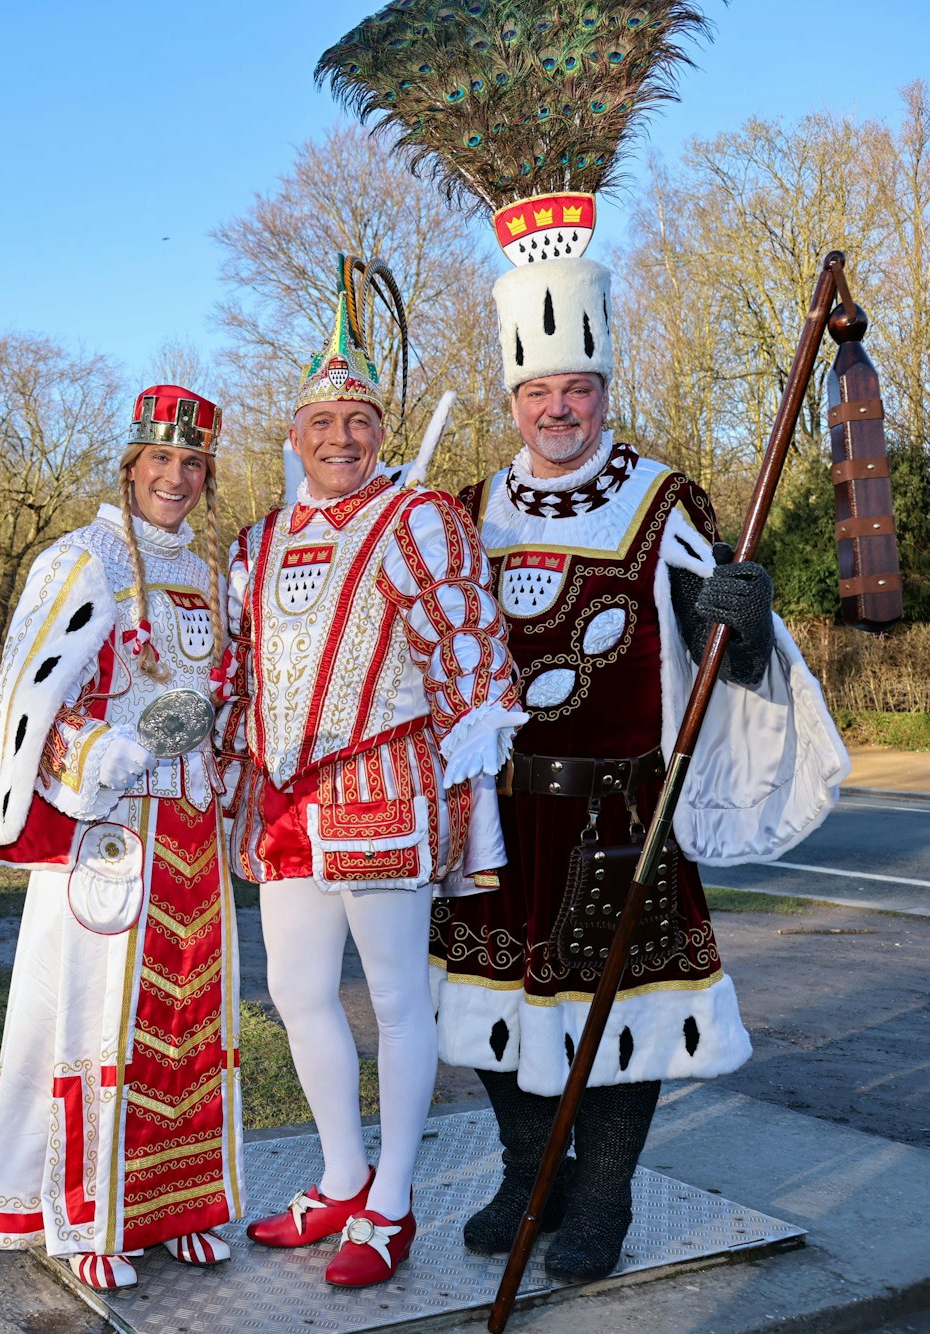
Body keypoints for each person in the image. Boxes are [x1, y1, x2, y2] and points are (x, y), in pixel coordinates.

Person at [417, 203, 851, 1286]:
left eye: (577, 390)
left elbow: (728, 658)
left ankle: (602, 1196)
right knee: (493, 1007)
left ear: (603, 392)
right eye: (538, 393)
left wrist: (742, 619)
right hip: (498, 807)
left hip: (622, 810)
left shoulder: (662, 497)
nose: (558, 409)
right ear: (513, 399)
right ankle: (532, 1178)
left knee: (622, 1014)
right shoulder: (465, 509)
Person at [215, 259, 524, 1288]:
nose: (341, 440)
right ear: (293, 433)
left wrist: (478, 730)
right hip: (285, 797)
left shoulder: (420, 516)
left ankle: (392, 1201)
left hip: (382, 785)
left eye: (360, 424)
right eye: (322, 424)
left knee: (394, 995)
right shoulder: (254, 542)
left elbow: (464, 630)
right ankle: (341, 1173)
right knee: (296, 989)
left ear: (381, 433)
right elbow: (235, 666)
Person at [0, 385, 243, 1292]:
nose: (177, 478)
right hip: (108, 830)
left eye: (193, 464)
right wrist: (94, 748)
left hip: (192, 830)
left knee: (191, 1024)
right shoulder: (80, 558)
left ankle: (177, 1205)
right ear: (131, 465)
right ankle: (88, 1214)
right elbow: (28, 696)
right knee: (96, 1023)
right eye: (162, 461)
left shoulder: (207, 571)